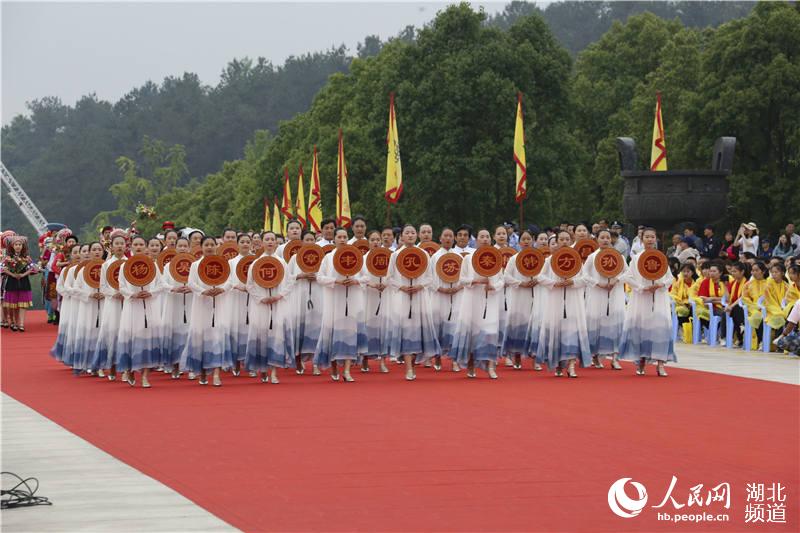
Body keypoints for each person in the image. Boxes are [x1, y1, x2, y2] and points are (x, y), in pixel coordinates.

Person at [385, 224, 441, 380]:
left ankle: (415, 361)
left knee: (418, 331)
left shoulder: (423, 254)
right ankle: (409, 368)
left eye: (412, 233)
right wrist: (401, 286)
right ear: (401, 236)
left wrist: (420, 286)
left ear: (416, 236)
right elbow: (389, 277)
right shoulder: (395, 255)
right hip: (402, 298)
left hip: (420, 298)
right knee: (407, 330)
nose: (410, 235)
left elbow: (431, 278)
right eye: (407, 233)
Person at [619, 227, 676, 376]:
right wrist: (641, 287)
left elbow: (670, 278)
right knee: (642, 329)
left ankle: (661, 364)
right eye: (647, 237)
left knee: (660, 328)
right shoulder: (637, 258)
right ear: (641, 239)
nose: (650, 239)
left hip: (659, 296)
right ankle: (641, 362)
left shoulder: (661, 257)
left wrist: (660, 285)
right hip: (642, 297)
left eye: (652, 237)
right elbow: (627, 277)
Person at [535, 230, 591, 377]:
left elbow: (586, 279)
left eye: (567, 239)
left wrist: (573, 282)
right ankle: (558, 364)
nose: (565, 242)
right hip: (555, 300)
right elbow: (539, 277)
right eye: (562, 239)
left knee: (571, 331)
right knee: (557, 332)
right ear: (557, 241)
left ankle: (571, 365)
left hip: (573, 300)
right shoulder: (550, 260)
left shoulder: (577, 260)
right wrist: (554, 283)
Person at [313, 227, 365, 382]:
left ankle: (347, 371)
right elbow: (319, 278)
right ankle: (334, 367)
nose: (342, 239)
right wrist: (336, 281)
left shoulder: (356, 256)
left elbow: (367, 277)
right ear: (334, 239)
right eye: (339, 237)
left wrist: (356, 281)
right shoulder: (328, 258)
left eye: (345, 237)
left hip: (352, 301)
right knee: (333, 334)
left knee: (350, 334)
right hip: (333, 301)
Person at [180, 236, 232, 386]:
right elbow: (191, 283)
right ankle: (202, 372)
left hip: (220, 303)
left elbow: (230, 281)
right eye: (206, 244)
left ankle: (216, 374)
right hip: (202, 304)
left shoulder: (224, 264)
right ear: (201, 247)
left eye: (212, 244)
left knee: (217, 336)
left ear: (216, 246)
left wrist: (222, 289)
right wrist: (203, 291)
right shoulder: (196, 265)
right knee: (201, 337)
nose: (209, 247)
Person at [244, 231, 296, 384]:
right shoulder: (255, 263)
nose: (270, 242)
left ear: (276, 243)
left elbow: (289, 282)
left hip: (278, 304)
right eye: (267, 239)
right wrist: (262, 298)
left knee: (277, 336)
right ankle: (263, 369)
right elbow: (250, 285)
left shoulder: (282, 262)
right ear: (261, 242)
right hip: (261, 305)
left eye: (272, 239)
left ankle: (274, 371)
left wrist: (279, 296)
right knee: (262, 336)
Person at [116, 236, 164, 388]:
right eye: (135, 244)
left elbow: (161, 284)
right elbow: (121, 286)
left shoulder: (152, 266)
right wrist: (132, 294)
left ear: (146, 247)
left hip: (149, 305)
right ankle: (130, 369)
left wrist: (151, 292)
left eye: (141, 244)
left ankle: (145, 376)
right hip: (132, 306)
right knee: (132, 338)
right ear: (131, 247)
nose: (138, 247)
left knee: (148, 339)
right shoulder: (125, 266)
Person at [581, 229, 627, 369]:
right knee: (596, 324)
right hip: (597, 294)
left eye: (608, 237)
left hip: (614, 293)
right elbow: (584, 275)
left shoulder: (619, 257)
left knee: (615, 324)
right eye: (602, 237)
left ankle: (614, 357)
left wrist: (616, 280)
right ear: (597, 239)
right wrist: (598, 283)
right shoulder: (592, 257)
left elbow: (627, 272)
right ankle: (595, 356)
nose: (606, 240)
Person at [89, 234, 128, 380]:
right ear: (111, 247)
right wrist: (114, 293)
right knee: (112, 334)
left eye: (122, 243)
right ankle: (111, 367)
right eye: (116, 243)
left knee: (126, 335)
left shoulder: (130, 263)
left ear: (126, 246)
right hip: (112, 303)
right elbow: (103, 286)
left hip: (127, 302)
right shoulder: (106, 265)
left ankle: (125, 369)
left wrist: (126, 293)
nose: (119, 246)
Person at [502, 230, 540, 369]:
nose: (526, 241)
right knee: (519, 325)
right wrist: (520, 283)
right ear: (519, 242)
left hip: (536, 295)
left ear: (533, 240)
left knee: (535, 325)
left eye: (529, 239)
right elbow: (506, 276)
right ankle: (517, 356)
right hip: (519, 296)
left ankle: (535, 357)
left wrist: (537, 280)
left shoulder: (539, 258)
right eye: (523, 239)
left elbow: (545, 274)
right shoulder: (514, 258)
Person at [71, 242, 107, 373]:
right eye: (94, 249)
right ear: (89, 252)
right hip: (88, 306)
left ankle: (101, 365)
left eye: (99, 249)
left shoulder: (108, 268)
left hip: (104, 305)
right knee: (90, 334)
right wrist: (90, 294)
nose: (97, 252)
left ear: (103, 251)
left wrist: (106, 293)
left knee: (102, 335)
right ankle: (89, 363)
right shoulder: (82, 271)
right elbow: (76, 289)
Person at [430, 227, 462, 371]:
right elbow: (430, 278)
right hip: (439, 295)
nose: (448, 238)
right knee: (438, 326)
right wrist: (441, 288)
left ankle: (454, 360)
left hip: (456, 296)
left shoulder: (460, 257)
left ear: (454, 238)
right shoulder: (435, 257)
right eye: (445, 236)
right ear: (440, 238)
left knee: (455, 328)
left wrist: (458, 287)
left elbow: (465, 276)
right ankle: (437, 358)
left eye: (450, 236)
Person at [360, 230, 391, 372]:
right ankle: (365, 359)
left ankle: (383, 361)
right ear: (368, 242)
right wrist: (370, 284)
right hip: (369, 297)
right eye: (373, 239)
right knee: (368, 327)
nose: (376, 242)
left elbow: (393, 275)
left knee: (383, 328)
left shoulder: (389, 257)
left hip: (385, 296)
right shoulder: (363, 259)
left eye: (378, 239)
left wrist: (386, 283)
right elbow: (360, 276)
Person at [223, 233, 252, 376]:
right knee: (236, 329)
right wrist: (237, 285)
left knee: (250, 331)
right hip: (235, 299)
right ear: (238, 244)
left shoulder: (256, 261)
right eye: (243, 242)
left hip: (252, 300)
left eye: (248, 242)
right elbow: (226, 280)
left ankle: (250, 364)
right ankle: (235, 364)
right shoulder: (231, 262)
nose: (245, 244)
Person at [50, 243, 81, 362]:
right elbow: (60, 287)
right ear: (70, 255)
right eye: (75, 252)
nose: (78, 255)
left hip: (84, 303)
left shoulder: (89, 270)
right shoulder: (66, 270)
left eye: (80, 252)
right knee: (71, 328)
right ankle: (69, 355)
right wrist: (71, 294)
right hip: (69, 303)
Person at [2, 236, 37, 332]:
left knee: (22, 304)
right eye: (16, 244)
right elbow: (2, 269)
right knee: (13, 304)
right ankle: (13, 322)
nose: (18, 246)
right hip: (11, 282)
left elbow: (33, 269)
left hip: (23, 281)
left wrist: (22, 274)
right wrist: (12, 274)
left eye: (20, 244)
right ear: (12, 246)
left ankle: (21, 324)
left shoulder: (26, 258)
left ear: (23, 246)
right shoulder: (8, 258)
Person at [724, 262, 748, 346]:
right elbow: (728, 298)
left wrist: (731, 306)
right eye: (732, 271)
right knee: (726, 312)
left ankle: (740, 336)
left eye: (735, 271)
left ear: (742, 272)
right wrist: (725, 287)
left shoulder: (746, 283)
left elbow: (742, 298)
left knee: (736, 309)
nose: (732, 273)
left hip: (744, 306)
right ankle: (724, 337)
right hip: (733, 306)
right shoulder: (733, 283)